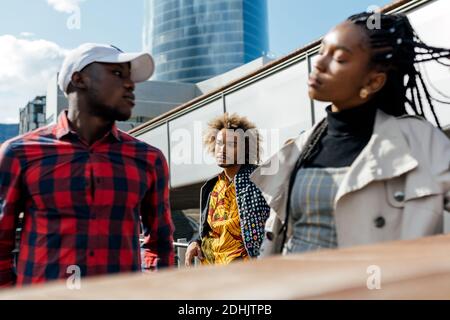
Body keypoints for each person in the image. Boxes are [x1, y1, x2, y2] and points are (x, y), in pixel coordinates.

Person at [250, 12, 450, 256]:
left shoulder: (421, 141)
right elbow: (276, 236)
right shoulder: (305, 144)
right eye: (322, 51)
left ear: (373, 82)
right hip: (293, 287)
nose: (320, 64)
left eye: (340, 58)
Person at [0, 43, 174, 287]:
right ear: (79, 79)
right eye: (117, 73)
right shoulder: (19, 153)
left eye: (130, 77)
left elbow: (160, 244)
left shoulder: (148, 159)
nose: (130, 84)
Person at [185, 113, 270, 266]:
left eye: (231, 144)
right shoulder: (211, 186)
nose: (222, 149)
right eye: (219, 143)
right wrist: (195, 242)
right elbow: (205, 229)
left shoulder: (260, 179)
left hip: (246, 274)